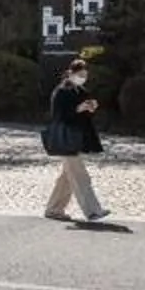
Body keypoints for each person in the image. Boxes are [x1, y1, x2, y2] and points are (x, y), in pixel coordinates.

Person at [42, 54, 109, 223]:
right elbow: (58, 115)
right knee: (80, 176)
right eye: (80, 75)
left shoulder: (80, 91)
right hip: (65, 139)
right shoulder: (61, 92)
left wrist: (90, 107)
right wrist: (77, 109)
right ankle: (93, 211)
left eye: (85, 75)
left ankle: (54, 209)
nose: (83, 78)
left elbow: (84, 116)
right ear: (71, 73)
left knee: (67, 178)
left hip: (75, 139)